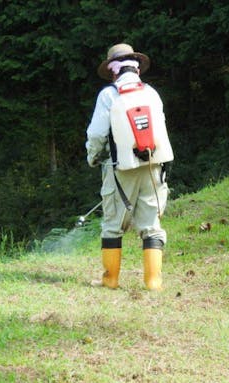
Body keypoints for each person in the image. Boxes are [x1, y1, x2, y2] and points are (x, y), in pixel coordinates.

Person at [86, 43, 173, 291]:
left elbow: (96, 134)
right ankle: (153, 282)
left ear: (113, 70)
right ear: (136, 68)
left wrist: (92, 157)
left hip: (119, 170)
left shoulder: (108, 94)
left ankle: (110, 280)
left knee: (113, 224)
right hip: (154, 165)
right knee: (151, 225)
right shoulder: (151, 93)